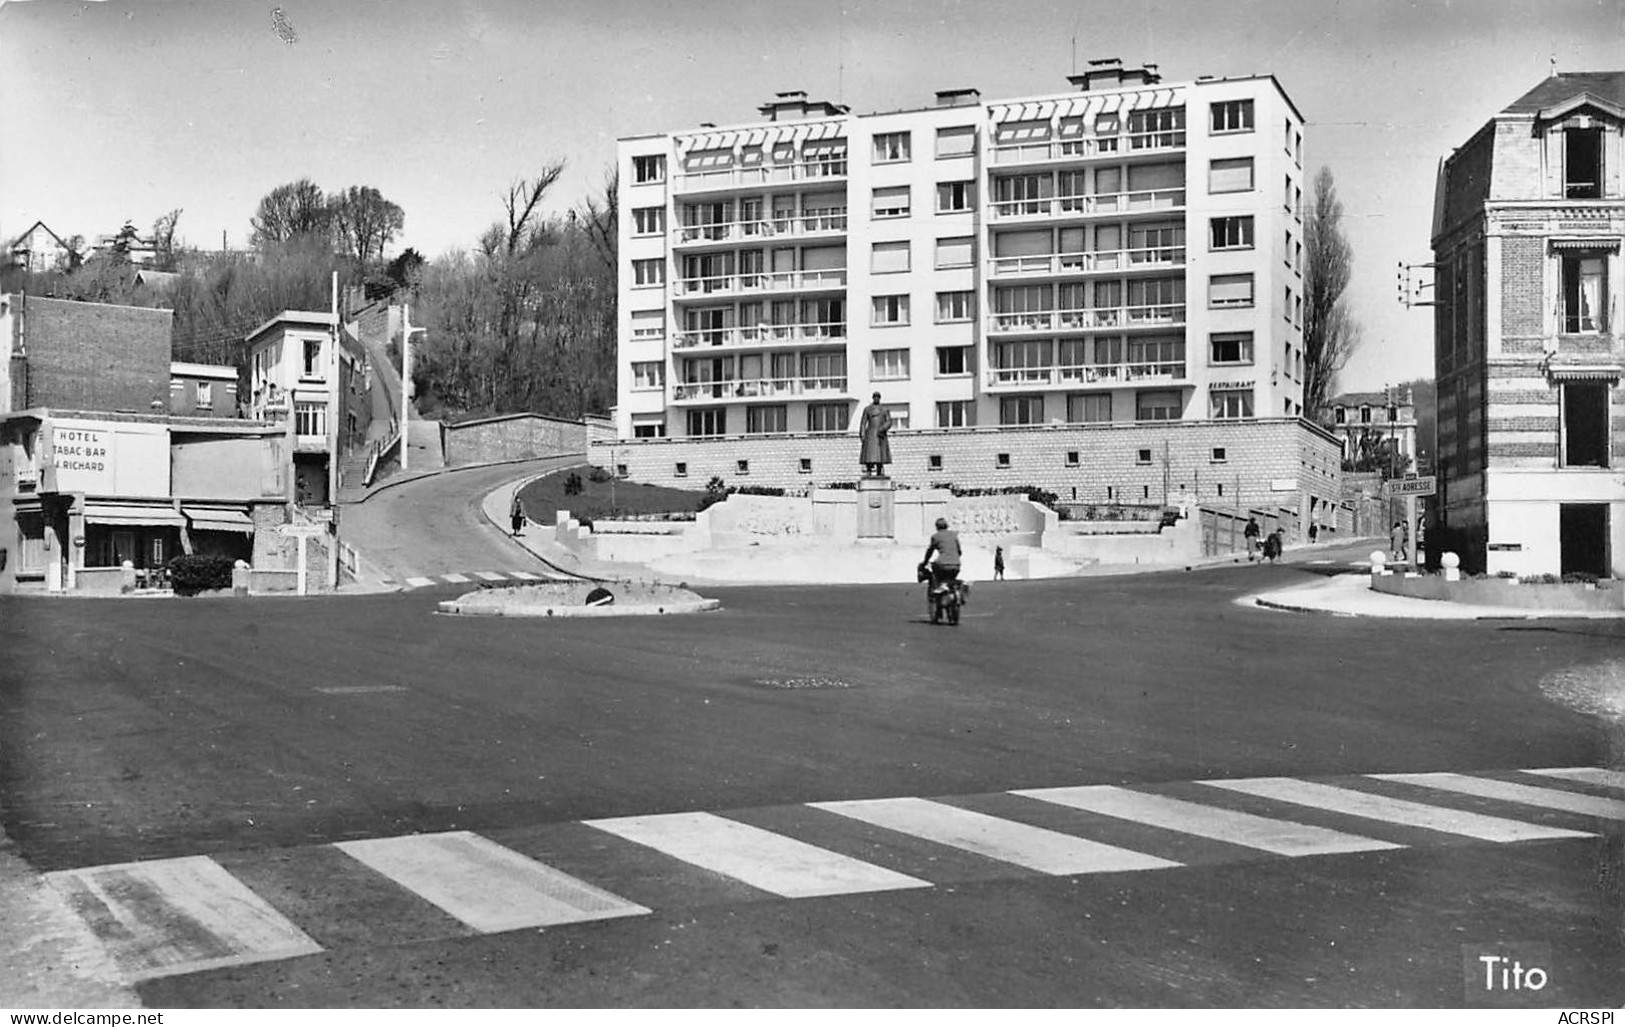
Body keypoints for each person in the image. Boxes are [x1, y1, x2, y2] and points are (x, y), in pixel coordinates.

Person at [923, 516, 962, 598]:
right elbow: (959, 551)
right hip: (956, 564)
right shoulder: (953, 535)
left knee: (936, 572)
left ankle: (940, 586)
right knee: (951, 577)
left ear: (937, 527)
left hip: (942, 564)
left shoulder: (935, 536)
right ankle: (955, 591)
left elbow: (930, 551)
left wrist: (925, 562)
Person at [858, 392, 893, 476]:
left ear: (880, 398)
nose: (876, 398)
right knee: (869, 454)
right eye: (875, 397)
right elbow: (863, 422)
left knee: (880, 454)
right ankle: (869, 470)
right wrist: (862, 434)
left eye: (878, 397)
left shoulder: (884, 409)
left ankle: (879, 470)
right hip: (870, 433)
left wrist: (883, 428)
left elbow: (889, 421)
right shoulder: (867, 409)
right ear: (873, 398)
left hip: (880, 434)